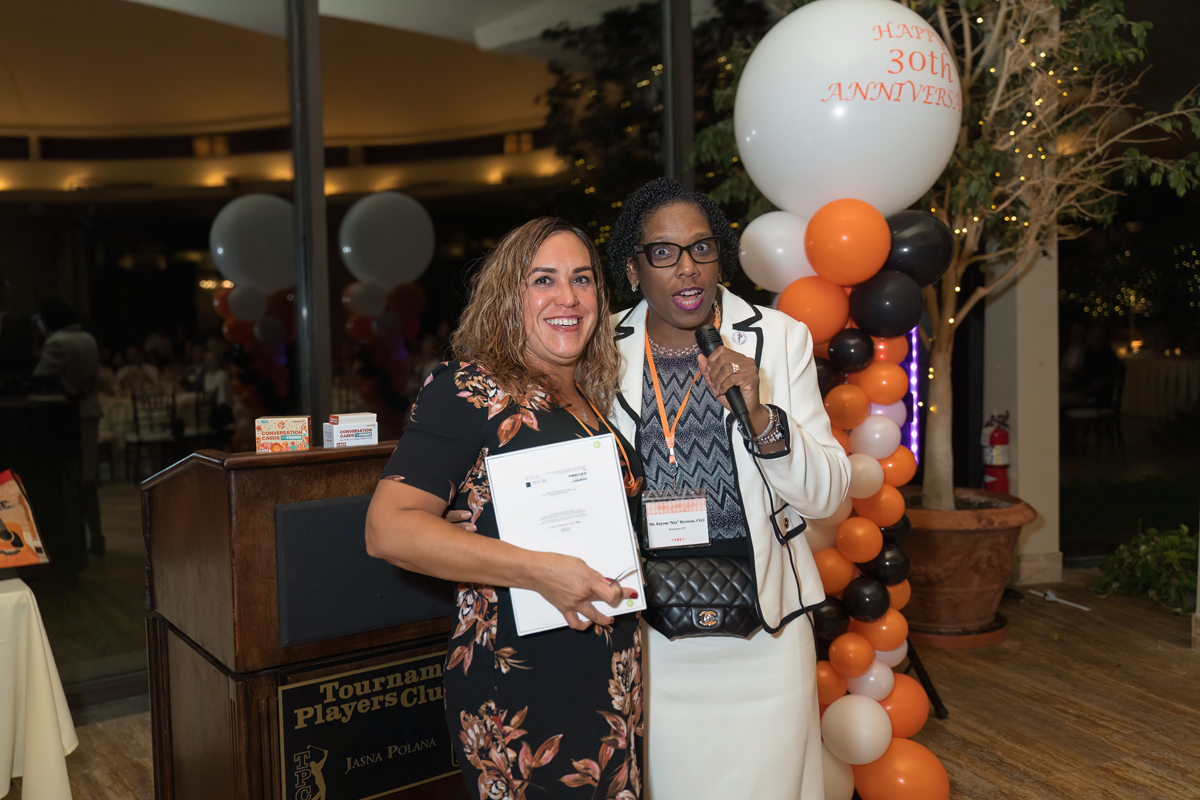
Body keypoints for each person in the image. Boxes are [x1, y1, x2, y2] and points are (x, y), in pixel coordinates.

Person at [365, 217, 646, 800]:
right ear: (507, 296)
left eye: (582, 279)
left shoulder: (585, 396)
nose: (568, 297)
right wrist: (539, 570)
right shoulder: (468, 388)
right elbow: (388, 528)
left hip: (607, 676)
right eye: (544, 280)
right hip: (522, 681)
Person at [605, 177, 849, 800]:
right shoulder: (596, 349)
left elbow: (828, 496)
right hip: (651, 638)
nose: (686, 268)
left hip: (764, 634)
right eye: (663, 253)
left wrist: (762, 416)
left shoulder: (780, 338)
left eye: (702, 248)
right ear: (633, 270)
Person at [33, 298, 105, 562]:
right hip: (91, 411)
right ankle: (96, 538)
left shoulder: (57, 342)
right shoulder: (87, 337)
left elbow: (39, 376)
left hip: (71, 415)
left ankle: (78, 545)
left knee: (74, 480)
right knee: (88, 477)